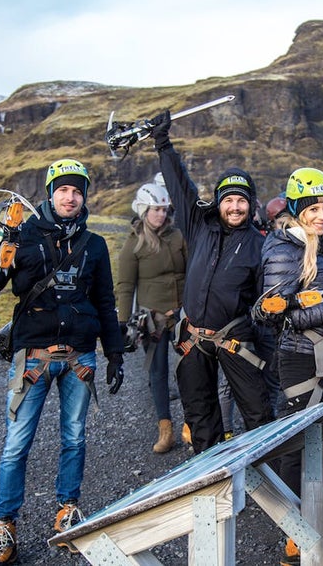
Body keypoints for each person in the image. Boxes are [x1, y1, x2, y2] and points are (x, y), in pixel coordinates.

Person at [0, 158, 124, 564]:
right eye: (63, 190)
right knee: (16, 445)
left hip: (80, 356)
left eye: (77, 191)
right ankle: (5, 528)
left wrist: (116, 354)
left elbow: (106, 303)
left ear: (84, 196)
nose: (70, 197)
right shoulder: (20, 237)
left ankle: (67, 511)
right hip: (31, 357)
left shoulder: (94, 245)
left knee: (74, 438)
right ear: (50, 193)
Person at [148, 109, 273, 454]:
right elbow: (180, 185)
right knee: (200, 416)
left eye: (241, 201)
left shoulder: (259, 245)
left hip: (236, 339)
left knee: (258, 413)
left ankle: (268, 482)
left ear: (251, 205)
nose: (235, 207)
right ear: (219, 202)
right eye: (229, 200)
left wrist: (268, 350)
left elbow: (264, 302)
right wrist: (163, 143)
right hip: (193, 338)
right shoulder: (198, 226)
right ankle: (212, 485)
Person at [254, 167, 323, 565]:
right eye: (312, 208)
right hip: (302, 359)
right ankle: (296, 536)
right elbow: (273, 316)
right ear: (296, 209)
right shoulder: (284, 250)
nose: (320, 214)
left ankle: (313, 522)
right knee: (300, 447)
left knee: (320, 443)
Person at [115, 177, 186, 454]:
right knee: (157, 374)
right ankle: (165, 429)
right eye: (156, 209)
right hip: (152, 320)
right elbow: (125, 286)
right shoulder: (133, 245)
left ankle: (191, 423)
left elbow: (193, 271)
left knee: (189, 370)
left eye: (165, 209)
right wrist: (122, 324)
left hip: (182, 315)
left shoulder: (178, 237)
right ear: (143, 210)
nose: (161, 214)